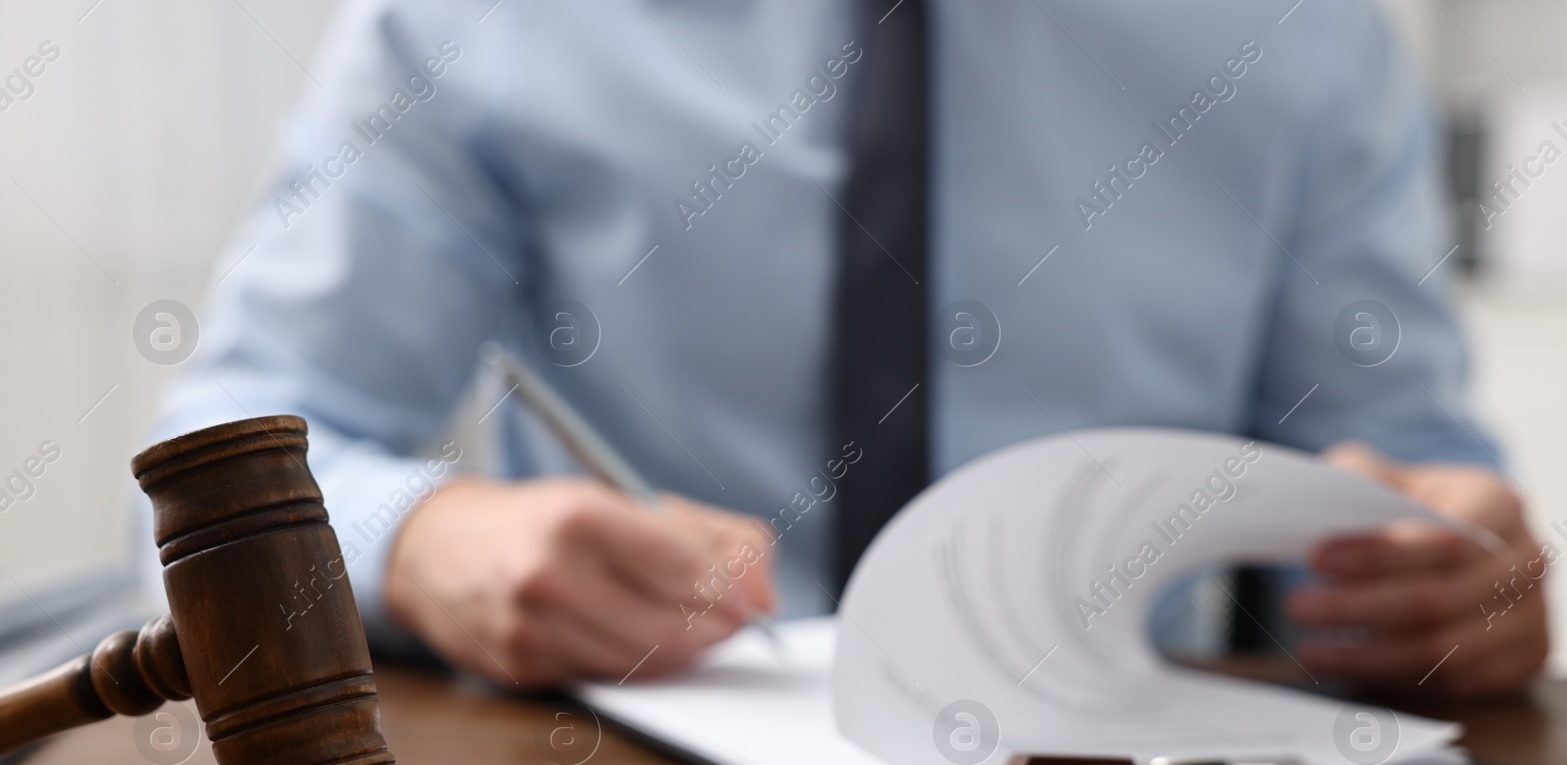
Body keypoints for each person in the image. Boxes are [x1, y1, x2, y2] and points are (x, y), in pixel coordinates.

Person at [148, 0, 1548, 696]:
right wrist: (428, 544)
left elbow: (1413, 464)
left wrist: (1455, 573)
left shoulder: (1302, 36)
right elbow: (227, 456)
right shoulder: (477, 19)